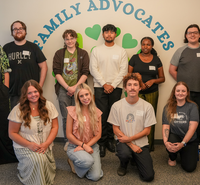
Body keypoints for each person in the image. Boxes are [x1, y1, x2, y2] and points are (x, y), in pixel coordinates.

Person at [8, 80, 59, 185]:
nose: (33, 95)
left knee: (42, 161)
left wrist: (46, 144)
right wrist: (29, 145)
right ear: (25, 95)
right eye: (29, 93)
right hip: (25, 147)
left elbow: (55, 127)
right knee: (39, 159)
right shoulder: (18, 110)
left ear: (39, 92)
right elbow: (12, 133)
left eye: (35, 91)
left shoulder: (49, 106)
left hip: (44, 145)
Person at [108, 73, 156, 182]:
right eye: (129, 85)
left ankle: (135, 158)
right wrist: (130, 143)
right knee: (124, 154)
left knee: (148, 177)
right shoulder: (117, 106)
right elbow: (115, 129)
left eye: (135, 85)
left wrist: (131, 140)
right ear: (125, 88)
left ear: (140, 87)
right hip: (123, 141)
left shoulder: (147, 107)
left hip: (141, 144)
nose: (132, 88)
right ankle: (123, 163)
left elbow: (147, 131)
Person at [90, 24, 128, 157]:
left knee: (113, 115)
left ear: (115, 35)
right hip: (100, 87)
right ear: (103, 34)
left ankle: (111, 140)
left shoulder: (121, 51)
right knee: (101, 115)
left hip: (116, 87)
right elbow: (93, 69)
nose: (109, 34)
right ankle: (101, 142)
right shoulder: (96, 50)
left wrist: (112, 85)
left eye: (112, 32)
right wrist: (104, 84)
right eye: (106, 32)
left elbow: (124, 70)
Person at [53, 29, 89, 150]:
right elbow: (57, 72)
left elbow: (85, 72)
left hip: (80, 89)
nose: (69, 41)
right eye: (67, 39)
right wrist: (68, 87)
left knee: (80, 115)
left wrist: (76, 88)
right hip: (64, 89)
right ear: (64, 40)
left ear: (76, 39)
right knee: (66, 116)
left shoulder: (83, 53)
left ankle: (79, 140)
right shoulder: (59, 54)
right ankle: (68, 140)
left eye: (72, 38)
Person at [128, 37, 165, 151]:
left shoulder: (156, 59)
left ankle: (149, 145)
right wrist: (139, 82)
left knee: (150, 118)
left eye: (148, 44)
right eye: (143, 44)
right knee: (135, 117)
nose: (145, 46)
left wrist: (153, 81)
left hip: (152, 92)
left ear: (152, 46)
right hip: (136, 92)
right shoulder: (134, 58)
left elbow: (162, 78)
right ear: (141, 46)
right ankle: (135, 142)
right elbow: (129, 76)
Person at [3, 20, 48, 109]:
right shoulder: (6, 48)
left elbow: (44, 67)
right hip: (12, 93)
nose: (18, 31)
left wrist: (39, 87)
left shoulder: (33, 47)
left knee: (32, 120)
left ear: (25, 31)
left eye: (21, 28)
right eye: (15, 29)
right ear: (12, 33)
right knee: (15, 120)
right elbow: (3, 70)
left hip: (31, 93)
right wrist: (5, 89)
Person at [169, 24, 200, 145]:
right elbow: (172, 70)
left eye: (195, 32)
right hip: (185, 94)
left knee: (198, 119)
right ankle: (185, 142)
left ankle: (196, 144)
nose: (192, 35)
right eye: (189, 33)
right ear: (186, 36)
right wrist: (183, 87)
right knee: (184, 119)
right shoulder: (180, 51)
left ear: (199, 35)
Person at [66, 83, 103, 181]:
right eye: (81, 96)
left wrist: (87, 146)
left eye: (87, 94)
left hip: (92, 145)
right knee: (88, 161)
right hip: (75, 146)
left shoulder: (97, 112)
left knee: (95, 177)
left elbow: (98, 135)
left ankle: (82, 162)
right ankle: (74, 161)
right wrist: (83, 145)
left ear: (90, 95)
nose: (85, 98)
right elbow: (69, 135)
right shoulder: (72, 111)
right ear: (77, 98)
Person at [162, 82, 199, 172]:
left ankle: (183, 150)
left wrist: (182, 144)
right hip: (175, 136)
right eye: (178, 90)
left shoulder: (192, 106)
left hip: (189, 140)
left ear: (187, 93)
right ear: (174, 92)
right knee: (170, 142)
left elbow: (192, 128)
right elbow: (166, 126)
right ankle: (172, 157)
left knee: (189, 168)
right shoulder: (168, 107)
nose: (180, 93)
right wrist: (166, 142)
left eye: (183, 91)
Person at [0, 45, 18, 164]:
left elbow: (6, 69)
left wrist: (5, 88)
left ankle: (5, 154)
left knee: (2, 120)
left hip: (1, 88)